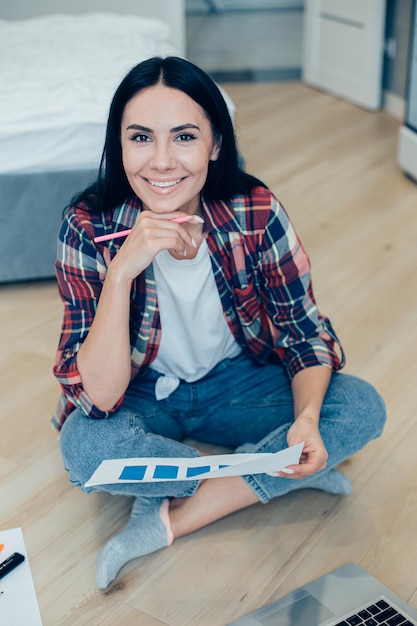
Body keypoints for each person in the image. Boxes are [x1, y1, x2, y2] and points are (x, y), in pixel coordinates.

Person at [53, 56, 386, 590]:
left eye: (184, 137)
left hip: (235, 385)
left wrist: (303, 421)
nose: (161, 162)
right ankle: (278, 475)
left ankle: (175, 514)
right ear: (120, 145)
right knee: (85, 449)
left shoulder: (254, 210)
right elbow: (98, 397)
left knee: (360, 407)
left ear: (215, 145)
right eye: (141, 138)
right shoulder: (86, 226)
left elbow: (304, 334)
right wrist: (120, 275)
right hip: (144, 395)